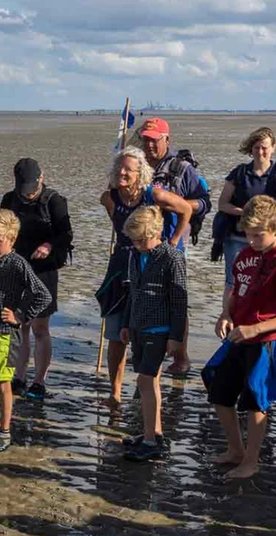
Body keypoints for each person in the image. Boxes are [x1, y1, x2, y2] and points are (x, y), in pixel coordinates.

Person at [210, 196, 276, 480]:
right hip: (239, 335)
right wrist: (225, 314)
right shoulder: (246, 254)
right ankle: (235, 450)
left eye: (258, 235)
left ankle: (251, 460)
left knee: (256, 400)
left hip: (267, 340)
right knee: (219, 392)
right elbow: (233, 288)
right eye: (248, 234)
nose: (251, 240)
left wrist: (256, 329)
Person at [96, 146, 194, 405]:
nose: (122, 172)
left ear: (141, 173)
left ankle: (147, 387)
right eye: (119, 168)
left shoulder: (154, 195)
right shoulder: (109, 198)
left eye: (128, 169)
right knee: (116, 333)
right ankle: (115, 393)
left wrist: (173, 241)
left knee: (149, 330)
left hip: (151, 266)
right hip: (120, 267)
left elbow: (186, 209)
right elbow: (118, 225)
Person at [0, 210, 53, 453]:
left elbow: (43, 295)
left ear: (12, 239)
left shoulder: (18, 264)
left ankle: (4, 431)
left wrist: (21, 316)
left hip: (5, 332)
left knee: (3, 382)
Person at [139, 117, 211, 375]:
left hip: (172, 243)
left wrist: (176, 204)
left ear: (166, 140)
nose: (148, 145)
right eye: (145, 139)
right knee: (143, 297)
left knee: (174, 300)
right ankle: (147, 353)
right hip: (140, 244)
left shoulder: (182, 169)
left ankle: (181, 357)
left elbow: (205, 202)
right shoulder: (137, 165)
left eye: (154, 140)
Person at [119, 206, 188, 461]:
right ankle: (154, 433)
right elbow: (132, 292)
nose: (137, 245)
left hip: (160, 329)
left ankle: (150, 440)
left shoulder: (172, 257)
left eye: (140, 240)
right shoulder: (135, 256)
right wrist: (126, 323)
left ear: (155, 233)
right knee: (150, 381)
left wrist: (176, 337)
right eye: (133, 241)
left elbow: (180, 300)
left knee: (145, 382)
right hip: (138, 325)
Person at [0, 158, 73, 400]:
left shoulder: (54, 201)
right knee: (20, 325)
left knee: (40, 327)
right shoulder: (9, 200)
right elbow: (1, 231)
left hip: (44, 271)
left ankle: (39, 381)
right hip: (16, 268)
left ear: (41, 178)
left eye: (32, 187)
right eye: (24, 188)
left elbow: (66, 234)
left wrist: (48, 245)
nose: (28, 193)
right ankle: (18, 377)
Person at [214, 127, 275, 293]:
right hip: (237, 238)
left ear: (273, 148)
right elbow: (222, 204)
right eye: (256, 148)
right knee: (234, 282)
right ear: (251, 149)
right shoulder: (240, 173)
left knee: (263, 284)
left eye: (264, 147)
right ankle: (229, 316)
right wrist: (246, 213)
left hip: (268, 241)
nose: (260, 152)